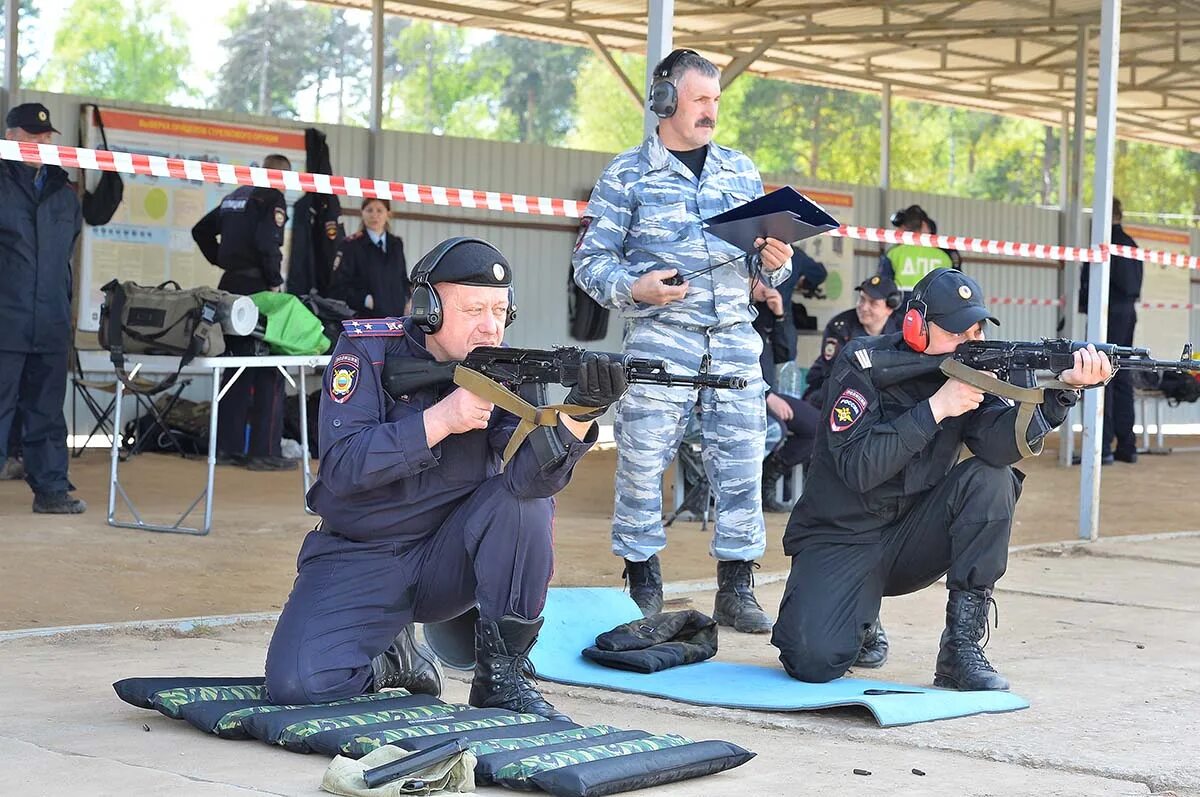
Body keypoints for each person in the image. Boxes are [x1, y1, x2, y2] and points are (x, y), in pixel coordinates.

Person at [265, 237, 622, 721]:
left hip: (448, 560)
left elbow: (530, 482)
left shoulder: (506, 368)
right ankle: (396, 661)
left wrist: (581, 412)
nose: (490, 325)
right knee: (297, 686)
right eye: (474, 308)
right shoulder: (367, 353)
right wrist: (439, 421)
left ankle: (503, 677)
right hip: (359, 553)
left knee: (520, 502)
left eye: (499, 310)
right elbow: (343, 468)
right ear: (428, 308)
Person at [772, 269, 1112, 690]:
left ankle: (960, 649)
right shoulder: (861, 363)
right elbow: (859, 469)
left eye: (975, 329)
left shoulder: (972, 372)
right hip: (841, 536)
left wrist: (1061, 393)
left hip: (911, 536)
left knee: (992, 477)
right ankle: (858, 613)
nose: (969, 341)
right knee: (812, 661)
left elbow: (998, 446)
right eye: (956, 331)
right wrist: (935, 408)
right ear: (915, 324)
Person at [573, 49, 793, 634]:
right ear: (665, 100)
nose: (710, 112)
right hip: (659, 342)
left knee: (744, 463)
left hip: (734, 343)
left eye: (716, 101)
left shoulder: (741, 171)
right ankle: (643, 582)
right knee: (642, 465)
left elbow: (763, 271)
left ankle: (736, 587)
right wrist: (635, 287)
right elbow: (589, 264)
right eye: (700, 100)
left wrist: (775, 264)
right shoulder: (627, 174)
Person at [0, 103, 86, 514]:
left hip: (50, 321)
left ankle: (51, 490)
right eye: (34, 137)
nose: (43, 143)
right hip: (5, 319)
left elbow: (64, 255)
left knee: (47, 413)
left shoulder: (62, 190)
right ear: (11, 136)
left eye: (48, 137)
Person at [191, 154, 295, 471]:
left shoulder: (235, 196)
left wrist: (223, 261)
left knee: (233, 365)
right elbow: (267, 244)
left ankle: (226, 447)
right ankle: (263, 451)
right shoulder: (270, 197)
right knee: (268, 364)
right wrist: (275, 283)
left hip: (230, 286)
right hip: (258, 289)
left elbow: (200, 231)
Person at [1079, 198, 1142, 464]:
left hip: (1106, 314)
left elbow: (1090, 284)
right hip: (1127, 314)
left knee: (1097, 376)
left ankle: (1101, 447)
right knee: (1123, 378)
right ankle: (1127, 447)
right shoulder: (1131, 244)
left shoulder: (1105, 244)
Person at [329, 198, 410, 318]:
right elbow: (338, 286)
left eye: (379, 210)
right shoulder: (351, 245)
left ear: (388, 214)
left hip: (396, 318)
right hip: (366, 319)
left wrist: (408, 300)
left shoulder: (396, 244)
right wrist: (365, 299)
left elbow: (402, 277)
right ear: (362, 213)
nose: (374, 215)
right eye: (369, 210)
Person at [878, 205, 955, 292]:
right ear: (924, 226)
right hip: (934, 301)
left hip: (902, 301)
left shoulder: (894, 253)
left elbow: (884, 284)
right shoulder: (944, 255)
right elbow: (954, 283)